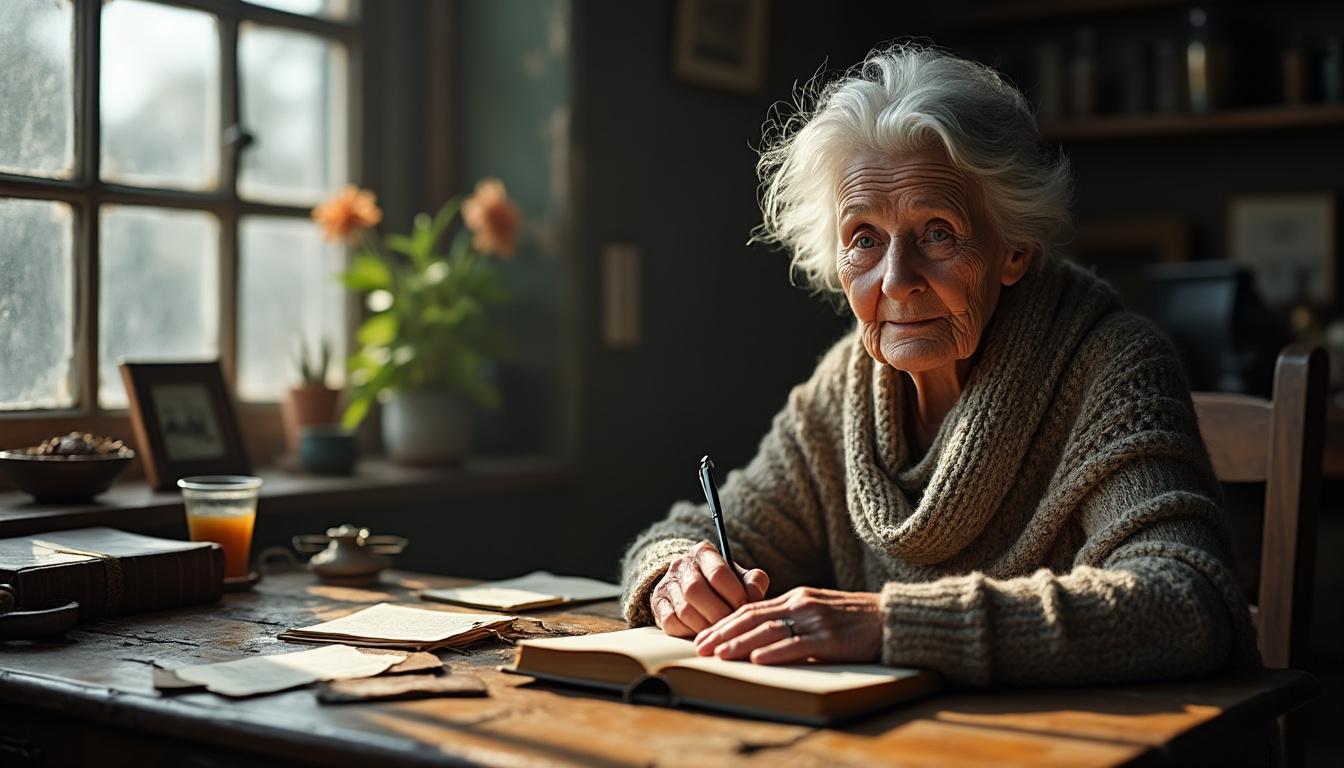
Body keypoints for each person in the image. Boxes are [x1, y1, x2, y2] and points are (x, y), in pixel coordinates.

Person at [619, 46, 1257, 687]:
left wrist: (890, 625)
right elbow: (691, 531)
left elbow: (1184, 598)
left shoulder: (1111, 365)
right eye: (863, 237)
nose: (896, 281)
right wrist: (680, 574)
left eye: (938, 233)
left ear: (1014, 250)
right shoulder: (844, 388)